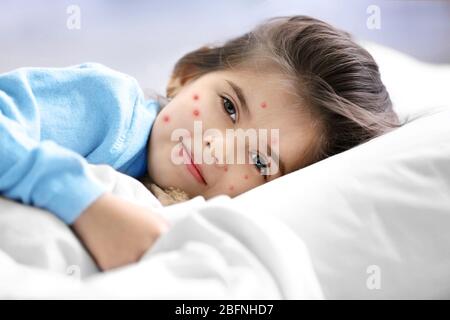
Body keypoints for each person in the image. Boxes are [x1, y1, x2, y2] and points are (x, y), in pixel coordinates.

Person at [0, 15, 401, 270]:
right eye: (228, 107)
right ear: (188, 75)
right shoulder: (108, 106)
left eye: (261, 162)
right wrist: (88, 205)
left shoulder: (205, 227)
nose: (218, 147)